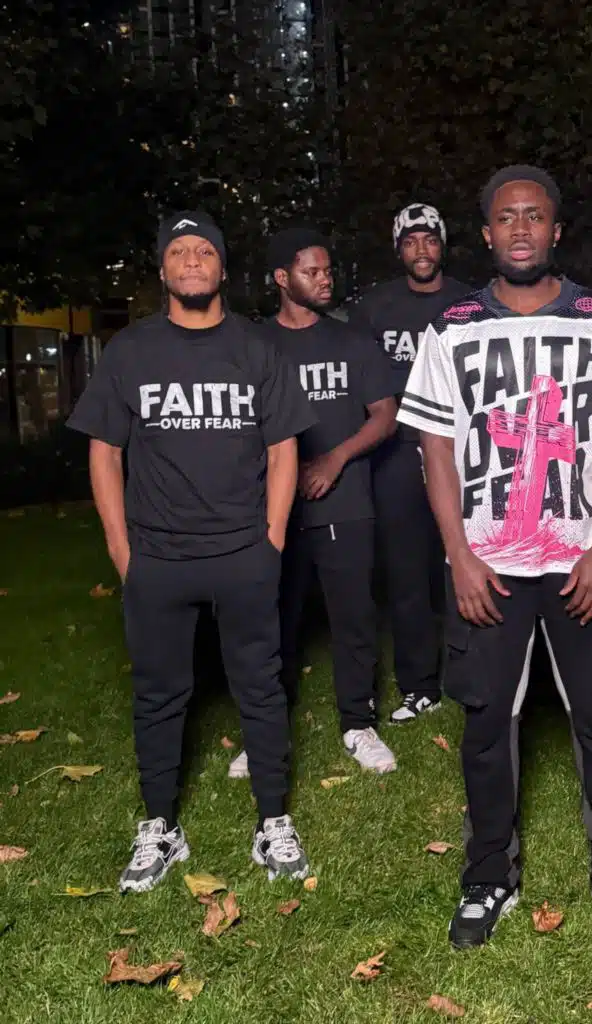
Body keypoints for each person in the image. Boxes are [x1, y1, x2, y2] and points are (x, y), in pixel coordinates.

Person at [397, 165, 592, 948]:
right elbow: (435, 449)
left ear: (556, 230)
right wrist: (459, 555)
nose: (521, 228)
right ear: (487, 234)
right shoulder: (449, 329)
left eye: (535, 216)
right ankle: (488, 875)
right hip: (488, 565)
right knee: (487, 725)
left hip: (581, 562)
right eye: (507, 217)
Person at [67, 211, 316, 892]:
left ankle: (273, 821)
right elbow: (104, 452)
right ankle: (160, 827)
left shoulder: (257, 347)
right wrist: (122, 550)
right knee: (157, 695)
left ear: (223, 268)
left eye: (204, 250)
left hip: (243, 552)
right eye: (179, 251)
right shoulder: (131, 350)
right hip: (158, 558)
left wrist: (270, 541)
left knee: (260, 688)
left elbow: (283, 448)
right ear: (162, 269)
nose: (192, 260)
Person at [227, 228, 400, 780]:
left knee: (354, 619)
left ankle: (358, 723)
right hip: (273, 511)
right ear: (282, 278)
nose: (326, 280)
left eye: (328, 270)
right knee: (271, 621)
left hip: (345, 504)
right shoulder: (253, 345)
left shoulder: (352, 341)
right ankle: (264, 732)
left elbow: (386, 415)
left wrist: (335, 459)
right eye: (312, 272)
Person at [350, 204, 473, 723]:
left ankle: (473, 674)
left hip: (464, 452)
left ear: (443, 245)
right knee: (406, 575)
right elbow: (360, 384)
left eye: (430, 240)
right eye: (410, 241)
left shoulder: (471, 302)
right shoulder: (374, 308)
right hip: (397, 453)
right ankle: (419, 685)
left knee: (469, 563)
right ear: (398, 249)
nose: (421, 250)